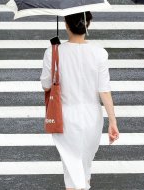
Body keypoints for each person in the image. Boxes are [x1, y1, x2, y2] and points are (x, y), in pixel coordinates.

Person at [40, 12, 119, 190]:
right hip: (93, 117)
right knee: (85, 167)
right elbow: (104, 90)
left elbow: (45, 85)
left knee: (71, 171)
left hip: (65, 117)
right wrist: (112, 121)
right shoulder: (100, 53)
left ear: (67, 25)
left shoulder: (53, 52)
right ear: (87, 25)